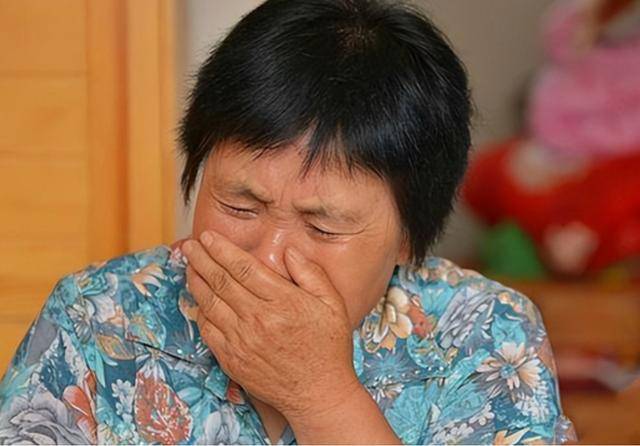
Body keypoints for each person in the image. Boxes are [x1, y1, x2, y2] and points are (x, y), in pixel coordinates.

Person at [0, 0, 576, 444]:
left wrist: (322, 396)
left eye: (323, 227)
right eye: (239, 206)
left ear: (409, 235)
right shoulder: (95, 318)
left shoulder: (487, 335)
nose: (268, 257)